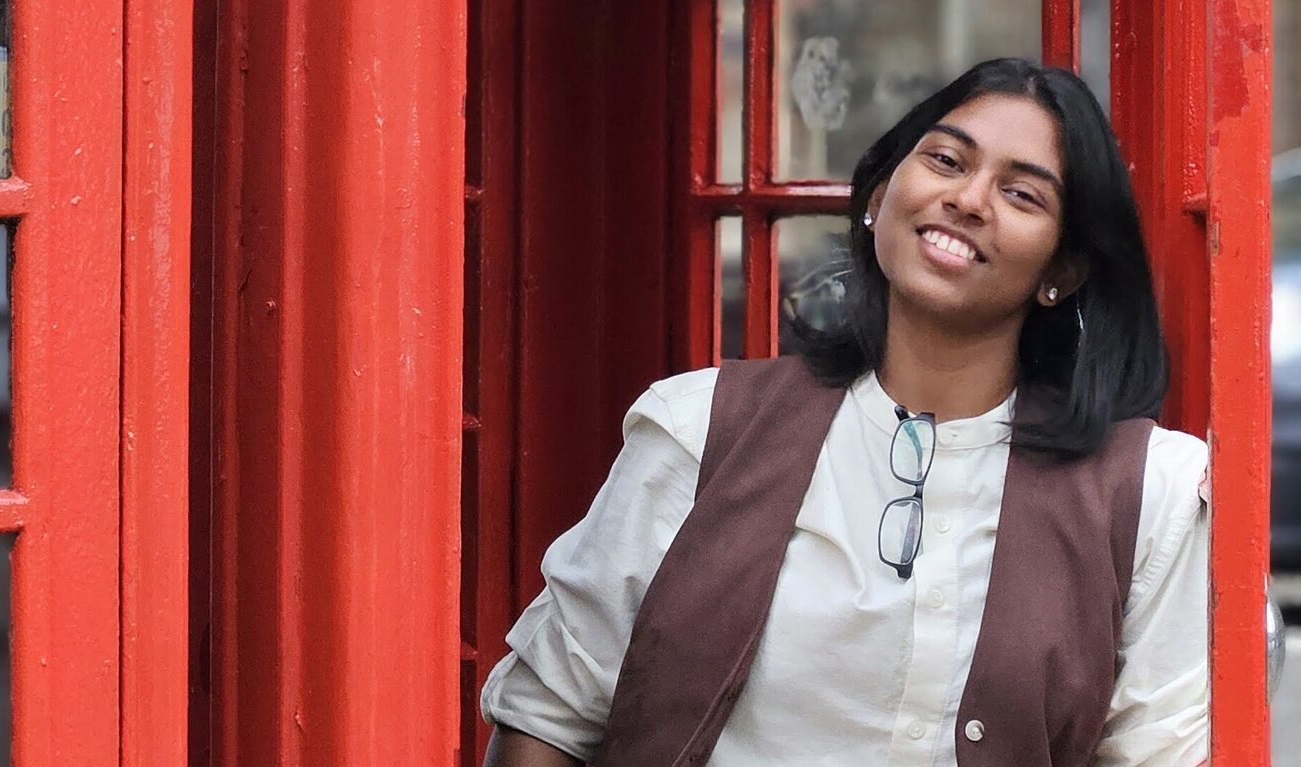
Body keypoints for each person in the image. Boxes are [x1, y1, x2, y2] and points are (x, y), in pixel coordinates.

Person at [481, 58, 1208, 766]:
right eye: (947, 161)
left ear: (1062, 270)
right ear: (879, 194)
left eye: (1023, 195)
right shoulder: (697, 428)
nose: (970, 199)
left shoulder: (1153, 492)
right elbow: (547, 717)